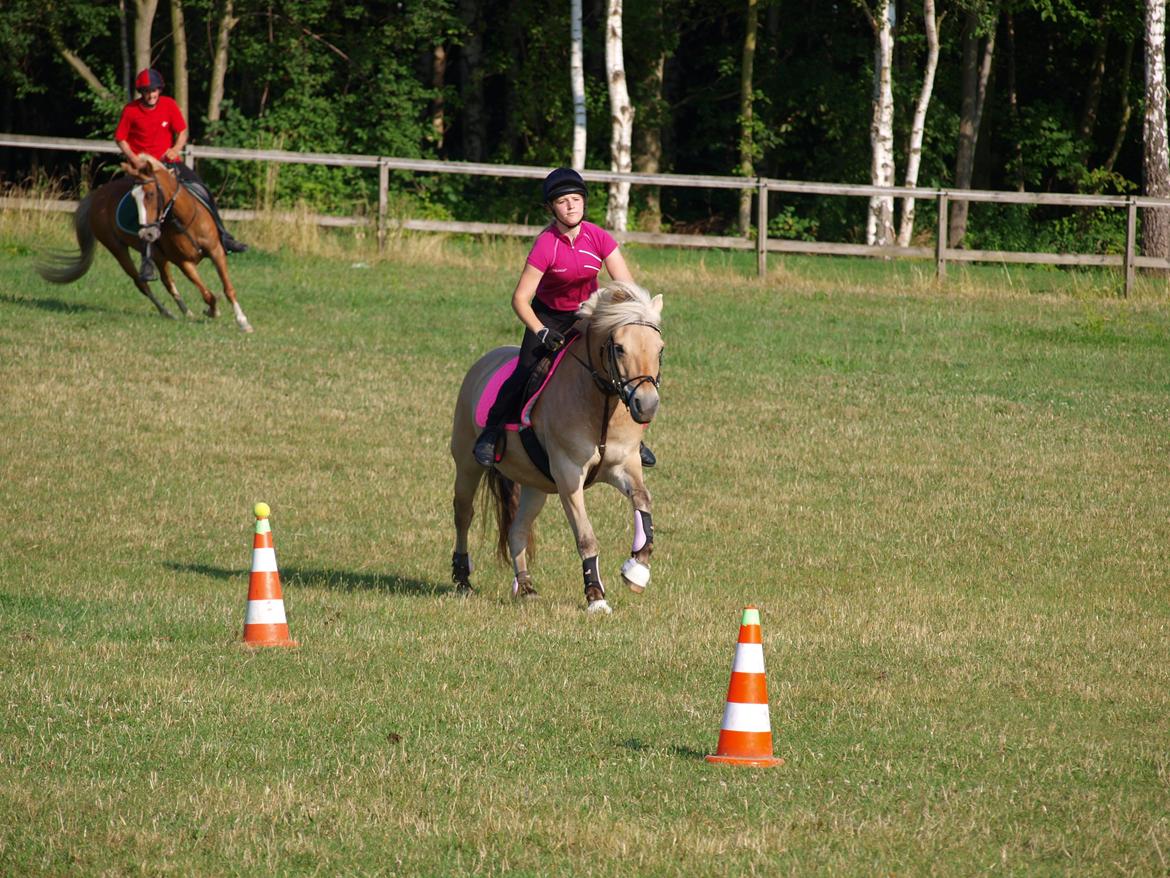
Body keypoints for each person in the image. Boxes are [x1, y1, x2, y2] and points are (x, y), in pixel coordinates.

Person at [473, 167, 656, 469]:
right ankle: (492, 432)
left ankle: (634, 439)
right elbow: (519, 299)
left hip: (589, 316)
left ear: (584, 202)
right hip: (549, 317)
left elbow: (627, 286)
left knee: (620, 367)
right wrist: (541, 331)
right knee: (526, 371)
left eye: (576, 199)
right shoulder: (546, 244)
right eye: (562, 201)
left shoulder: (598, 237)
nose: (571, 205)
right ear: (551, 208)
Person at [114, 68, 248, 259]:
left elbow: (182, 132)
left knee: (202, 190)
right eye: (146, 91)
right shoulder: (131, 110)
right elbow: (120, 138)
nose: (150, 95)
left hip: (169, 163)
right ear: (141, 92)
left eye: (153, 90)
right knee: (143, 204)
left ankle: (223, 236)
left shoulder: (169, 105)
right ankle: (146, 255)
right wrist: (133, 158)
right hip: (144, 167)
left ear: (159, 90)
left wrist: (175, 149)